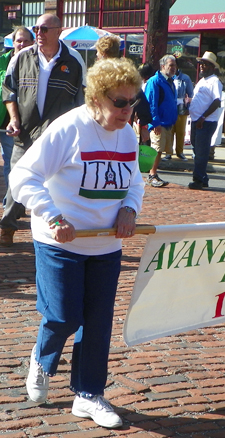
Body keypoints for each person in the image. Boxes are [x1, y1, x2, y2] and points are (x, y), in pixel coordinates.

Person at [9, 57, 144, 428]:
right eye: (120, 102)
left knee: (98, 323)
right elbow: (23, 176)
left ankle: (88, 394)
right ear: (97, 98)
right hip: (59, 241)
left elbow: (134, 181)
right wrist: (53, 215)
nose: (127, 110)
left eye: (133, 101)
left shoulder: (128, 134)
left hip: (105, 245)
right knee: (64, 314)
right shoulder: (69, 129)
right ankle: (42, 358)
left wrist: (130, 209)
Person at [0, 14, 86, 247]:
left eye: (45, 29)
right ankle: (7, 228)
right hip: (24, 133)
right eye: (36, 28)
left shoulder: (74, 60)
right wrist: (14, 119)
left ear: (59, 31)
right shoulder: (21, 58)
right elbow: (9, 91)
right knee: (17, 179)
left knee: (58, 184)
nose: (39, 33)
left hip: (57, 137)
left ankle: (57, 231)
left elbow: (82, 99)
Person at [0, 26, 34, 207]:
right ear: (13, 43)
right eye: (18, 40)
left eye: (25, 40)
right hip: (1, 116)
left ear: (32, 42)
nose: (21, 44)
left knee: (11, 163)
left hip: (15, 123)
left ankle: (11, 202)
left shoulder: (35, 63)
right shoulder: (2, 61)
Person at [188, 51, 222, 190]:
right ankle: (203, 177)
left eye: (206, 64)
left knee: (201, 152)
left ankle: (198, 180)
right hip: (196, 120)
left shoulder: (215, 81)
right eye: (201, 64)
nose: (202, 66)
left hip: (206, 122)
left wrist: (203, 117)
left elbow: (216, 102)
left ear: (212, 67)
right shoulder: (202, 81)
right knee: (196, 150)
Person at [143, 55, 177, 187]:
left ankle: (153, 173)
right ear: (163, 66)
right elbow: (151, 103)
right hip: (159, 123)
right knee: (156, 149)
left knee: (161, 149)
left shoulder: (170, 81)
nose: (174, 68)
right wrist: (155, 122)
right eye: (171, 65)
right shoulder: (155, 81)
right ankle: (152, 175)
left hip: (167, 122)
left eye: (175, 65)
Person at [170, 57, 194, 161]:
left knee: (180, 131)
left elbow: (191, 94)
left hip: (181, 107)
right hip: (170, 107)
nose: (173, 68)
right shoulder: (167, 77)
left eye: (175, 65)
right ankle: (168, 152)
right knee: (169, 130)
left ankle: (180, 152)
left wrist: (188, 106)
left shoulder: (186, 78)